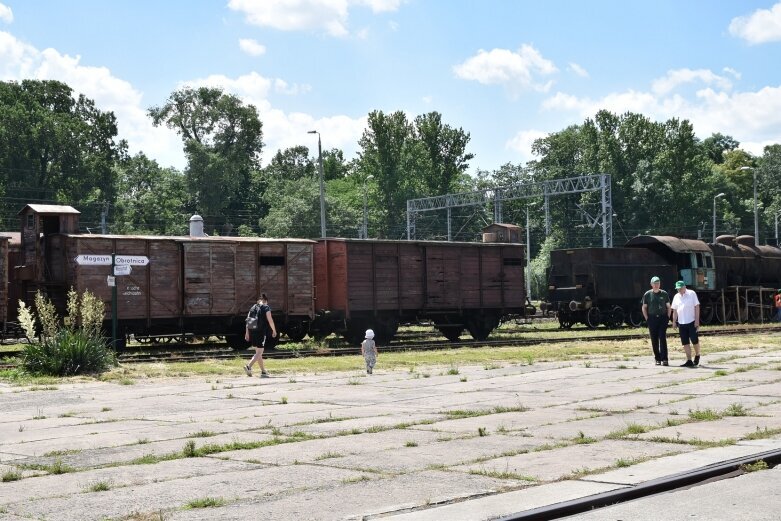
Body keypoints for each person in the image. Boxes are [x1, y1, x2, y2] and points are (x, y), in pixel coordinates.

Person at [244, 293, 277, 378]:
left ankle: (263, 371)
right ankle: (248, 366)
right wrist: (274, 330)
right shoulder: (266, 307)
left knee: (258, 353)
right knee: (259, 352)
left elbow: (248, 321)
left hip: (253, 331)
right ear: (266, 301)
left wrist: (247, 332)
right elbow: (270, 320)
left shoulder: (253, 307)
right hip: (261, 332)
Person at [641, 276, 671, 366]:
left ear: (660, 284)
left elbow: (669, 307)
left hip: (662, 318)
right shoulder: (647, 294)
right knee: (654, 340)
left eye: (658, 283)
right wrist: (647, 318)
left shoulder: (664, 294)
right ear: (651, 284)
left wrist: (667, 318)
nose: (656, 285)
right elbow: (644, 307)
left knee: (662, 338)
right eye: (654, 283)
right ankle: (657, 359)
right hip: (652, 318)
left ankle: (664, 359)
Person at [671, 281, 701, 368]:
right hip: (681, 322)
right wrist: (674, 321)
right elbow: (675, 310)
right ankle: (689, 360)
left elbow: (697, 306)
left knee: (694, 340)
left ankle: (697, 354)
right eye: (677, 289)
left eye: (680, 288)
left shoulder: (692, 293)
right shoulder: (676, 297)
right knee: (685, 342)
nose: (679, 290)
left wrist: (697, 320)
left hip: (691, 321)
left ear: (684, 287)